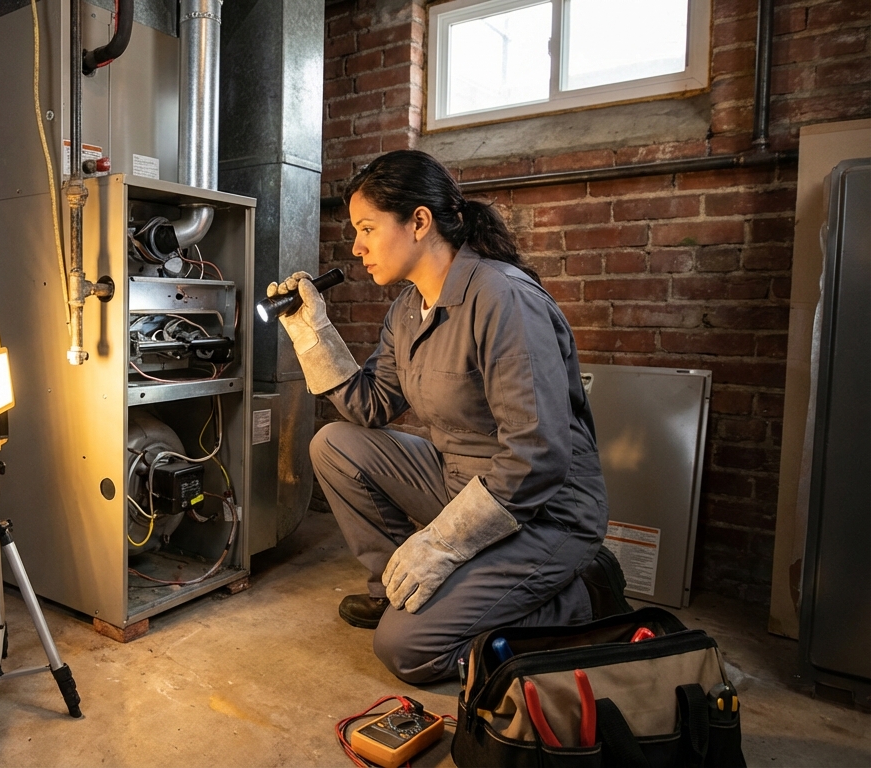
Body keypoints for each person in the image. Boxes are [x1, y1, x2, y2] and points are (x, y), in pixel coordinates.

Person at [268, 150, 630, 684]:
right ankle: (394, 589)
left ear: (419, 221)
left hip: (545, 510)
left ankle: (578, 601)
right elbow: (371, 407)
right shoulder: (407, 310)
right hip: (459, 482)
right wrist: (310, 329)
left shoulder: (503, 297)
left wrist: (440, 545)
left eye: (367, 228)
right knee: (334, 444)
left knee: (406, 650)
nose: (356, 246)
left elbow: (538, 456)